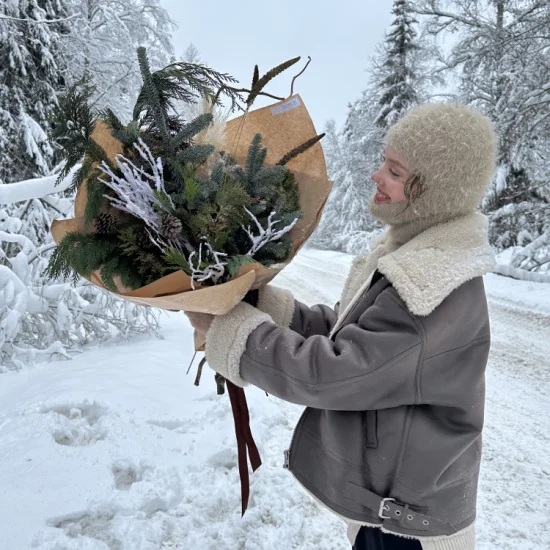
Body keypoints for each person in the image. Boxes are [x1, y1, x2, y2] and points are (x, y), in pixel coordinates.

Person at [186, 103, 498, 550]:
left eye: (394, 170)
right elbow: (349, 332)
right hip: (392, 503)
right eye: (383, 162)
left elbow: (333, 373)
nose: (376, 176)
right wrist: (258, 305)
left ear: (432, 190)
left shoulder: (430, 286)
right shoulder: (414, 254)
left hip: (405, 525)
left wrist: (237, 334)